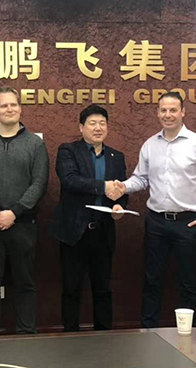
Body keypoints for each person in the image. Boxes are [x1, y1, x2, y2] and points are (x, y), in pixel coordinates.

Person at [111, 91, 196, 328]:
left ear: (183, 112)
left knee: (189, 283)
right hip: (157, 223)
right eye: (163, 110)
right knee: (152, 280)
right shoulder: (150, 145)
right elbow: (141, 179)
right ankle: (148, 331)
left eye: (173, 110)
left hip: (189, 223)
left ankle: (191, 334)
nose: (168, 115)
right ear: (157, 113)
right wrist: (123, 187)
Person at [0, 86, 49, 335]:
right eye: (4, 105)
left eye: (13, 104)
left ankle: (26, 336)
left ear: (20, 108)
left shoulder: (35, 144)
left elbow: (39, 183)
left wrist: (14, 212)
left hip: (23, 225)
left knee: (25, 283)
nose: (9, 109)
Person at [49, 104, 128, 332]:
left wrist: (119, 207)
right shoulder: (68, 151)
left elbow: (122, 191)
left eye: (102, 123)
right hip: (74, 232)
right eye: (92, 123)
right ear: (81, 127)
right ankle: (70, 337)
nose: (98, 128)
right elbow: (70, 180)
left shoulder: (116, 156)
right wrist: (103, 187)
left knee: (103, 289)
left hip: (103, 232)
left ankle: (103, 337)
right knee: (71, 288)